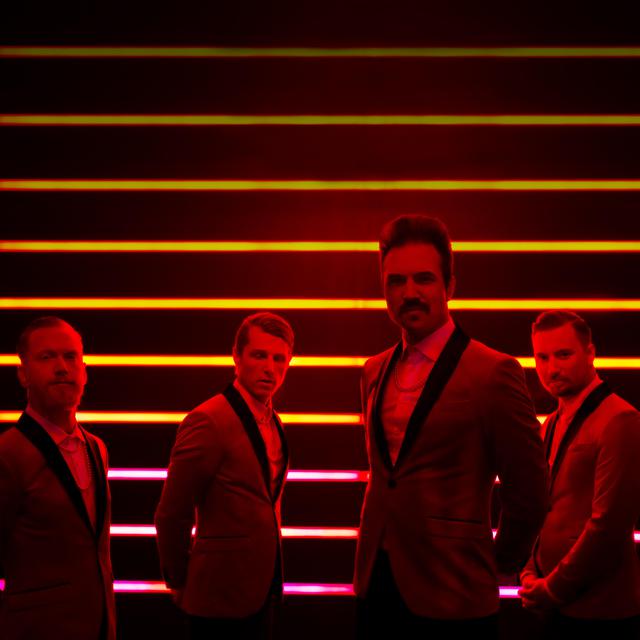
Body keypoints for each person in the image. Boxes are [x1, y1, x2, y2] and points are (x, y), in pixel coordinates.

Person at [354, 215, 548, 638]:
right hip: (375, 584)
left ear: (450, 286)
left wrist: (496, 564)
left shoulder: (493, 372)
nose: (409, 293)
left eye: (423, 279)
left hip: (455, 593)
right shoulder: (373, 370)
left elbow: (530, 490)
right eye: (396, 281)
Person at [155, 312, 294, 639]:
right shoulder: (208, 419)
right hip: (217, 595)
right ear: (237, 356)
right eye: (259, 355)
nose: (270, 367)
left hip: (261, 589)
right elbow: (172, 512)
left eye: (279, 359)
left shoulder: (274, 422)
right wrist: (178, 581)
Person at [520, 310, 640, 638]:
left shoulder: (621, 419)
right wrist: (530, 572)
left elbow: (609, 525)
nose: (551, 369)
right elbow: (544, 509)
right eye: (542, 357)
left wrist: (551, 588)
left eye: (563, 354)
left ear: (590, 353)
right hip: (553, 603)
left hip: (601, 610)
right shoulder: (550, 424)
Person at [0, 316, 116, 640]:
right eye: (47, 357)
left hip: (100, 625)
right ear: (23, 374)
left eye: (70, 356)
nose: (62, 367)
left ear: (85, 371)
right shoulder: (7, 453)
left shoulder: (97, 448)